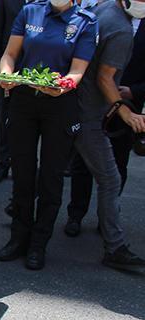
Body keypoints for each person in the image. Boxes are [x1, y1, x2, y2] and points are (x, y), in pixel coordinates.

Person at [0, 0, 97, 271]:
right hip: (24, 100)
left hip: (59, 105)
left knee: (51, 177)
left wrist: (63, 86)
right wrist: (6, 75)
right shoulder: (31, 11)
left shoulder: (86, 21)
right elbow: (10, 54)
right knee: (23, 174)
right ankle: (18, 238)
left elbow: (76, 72)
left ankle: (39, 244)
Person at [60, 0, 145, 270]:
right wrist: (126, 113)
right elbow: (105, 79)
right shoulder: (120, 28)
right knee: (110, 178)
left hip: (72, 107)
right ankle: (115, 246)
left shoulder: (103, 9)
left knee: (55, 171)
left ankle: (28, 230)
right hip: (89, 115)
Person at [0, 0, 27, 184]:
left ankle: (24, 163)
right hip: (7, 68)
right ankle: (2, 162)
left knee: (29, 119)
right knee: (4, 117)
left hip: (33, 69)